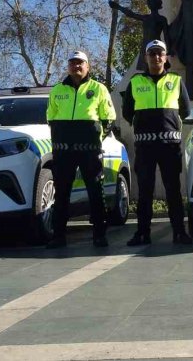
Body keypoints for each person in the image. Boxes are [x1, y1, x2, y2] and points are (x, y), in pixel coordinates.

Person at [121, 40, 192, 245]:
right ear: (146, 58)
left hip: (170, 147)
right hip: (145, 148)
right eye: (152, 54)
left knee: (173, 191)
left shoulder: (176, 81)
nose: (156, 57)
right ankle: (143, 233)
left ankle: (179, 232)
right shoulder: (135, 82)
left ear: (166, 57)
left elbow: (185, 111)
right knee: (145, 191)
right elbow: (127, 113)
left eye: (160, 53)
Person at [45, 51, 116, 248]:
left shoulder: (99, 89)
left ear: (88, 67)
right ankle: (58, 237)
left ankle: (100, 235)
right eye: (73, 63)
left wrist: (94, 139)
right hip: (63, 151)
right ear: (68, 66)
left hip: (89, 150)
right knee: (61, 193)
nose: (76, 67)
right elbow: (51, 117)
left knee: (95, 190)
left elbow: (108, 118)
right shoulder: (57, 90)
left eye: (80, 63)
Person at [108, 0, 168, 71]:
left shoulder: (162, 19)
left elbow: (166, 36)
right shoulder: (146, 18)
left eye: (151, 2)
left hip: (156, 46)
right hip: (145, 46)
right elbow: (131, 14)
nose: (149, 4)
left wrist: (169, 49)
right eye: (149, 3)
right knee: (146, 70)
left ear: (155, 4)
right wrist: (118, 7)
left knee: (157, 68)